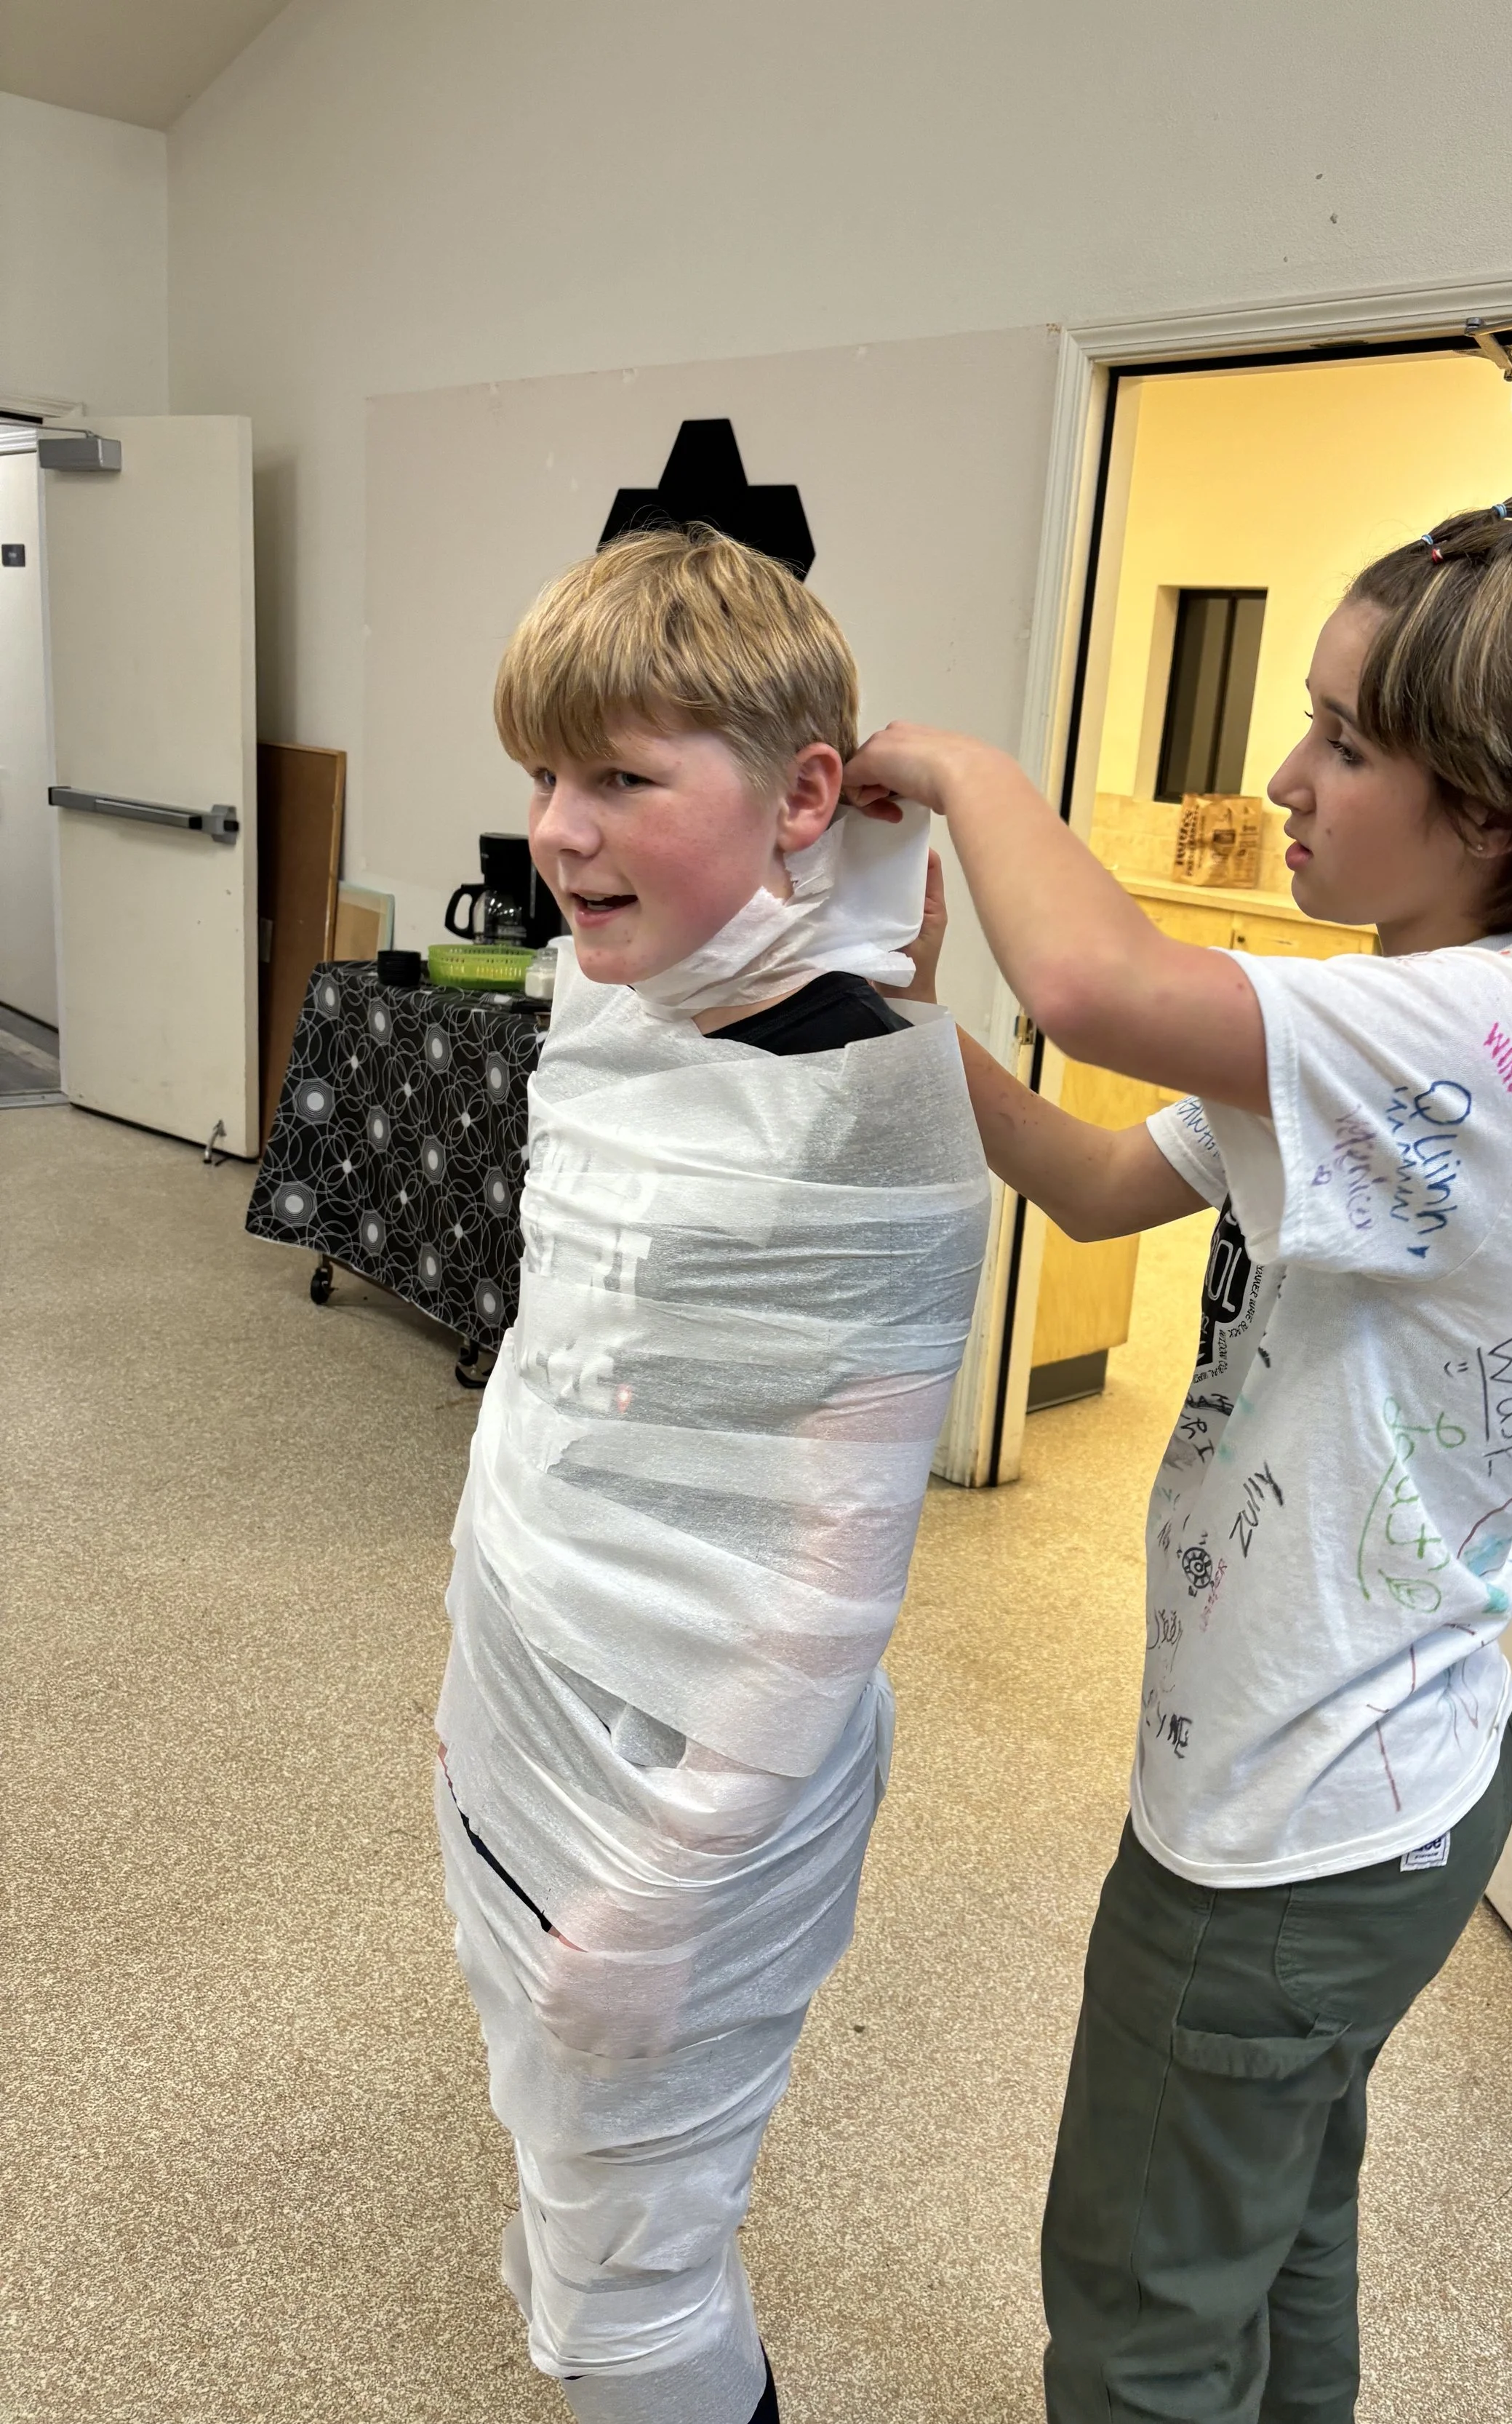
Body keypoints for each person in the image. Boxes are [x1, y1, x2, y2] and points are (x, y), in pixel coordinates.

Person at [845, 492, 1512, 2424]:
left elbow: (1092, 989)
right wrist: (903, 1021)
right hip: (1401, 1775)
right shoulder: (1438, 1031)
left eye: (1348, 740)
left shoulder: (1459, 1038)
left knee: (1141, 2310)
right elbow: (1082, 1175)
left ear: (1490, 805)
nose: (1284, 776)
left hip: (1289, 1834)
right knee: (1280, 2213)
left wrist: (966, 765)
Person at [435, 527, 990, 2424]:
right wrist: (476, 1662)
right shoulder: (620, 984)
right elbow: (567, 1347)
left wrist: (669, 1886)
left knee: (642, 2256)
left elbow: (832, 1581)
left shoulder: (879, 1104)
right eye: (543, 775)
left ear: (803, 796)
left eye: (617, 778)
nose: (557, 833)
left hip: (704, 1766)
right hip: (533, 1655)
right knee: (563, 2125)